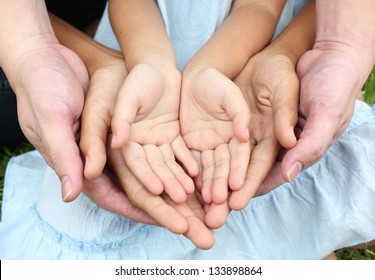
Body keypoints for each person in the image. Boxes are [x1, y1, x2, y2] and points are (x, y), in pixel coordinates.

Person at [83, 0, 287, 206]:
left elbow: (259, 7)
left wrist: (211, 67)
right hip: (134, 43)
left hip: (237, 57)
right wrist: (152, 61)